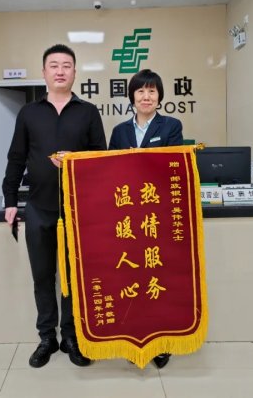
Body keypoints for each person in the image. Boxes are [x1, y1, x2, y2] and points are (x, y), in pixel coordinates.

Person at [2, 44, 107, 368]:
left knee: (74, 276)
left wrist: (76, 160)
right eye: (54, 65)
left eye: (66, 65)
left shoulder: (88, 112)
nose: (60, 71)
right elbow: (16, 157)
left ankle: (72, 336)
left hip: (78, 210)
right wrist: (10, 200)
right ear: (44, 72)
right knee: (43, 275)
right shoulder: (29, 113)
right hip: (38, 207)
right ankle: (47, 337)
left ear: (75, 72)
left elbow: (101, 158)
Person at [108, 68, 184, 369]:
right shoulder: (119, 132)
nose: (146, 96)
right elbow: (109, 170)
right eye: (140, 91)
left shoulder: (171, 126)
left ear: (159, 96)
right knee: (132, 279)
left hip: (158, 215)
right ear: (132, 97)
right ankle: (134, 338)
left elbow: (174, 163)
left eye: (152, 91)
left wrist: (137, 160)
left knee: (159, 279)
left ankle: (162, 343)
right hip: (128, 217)